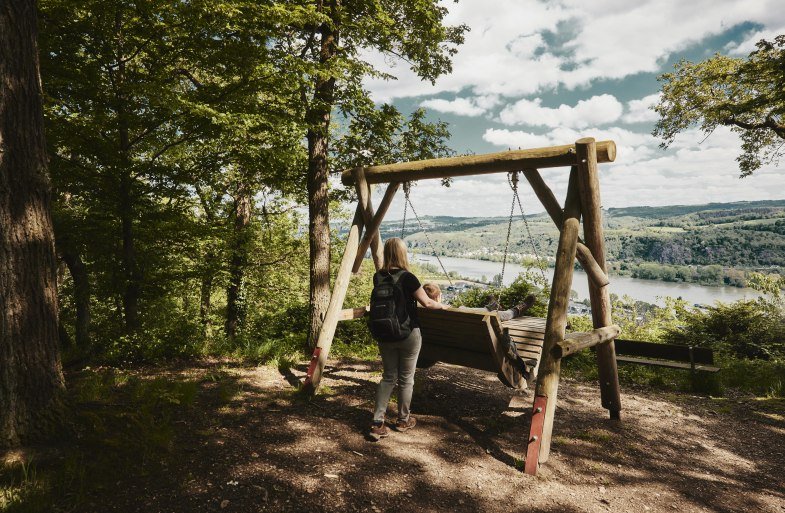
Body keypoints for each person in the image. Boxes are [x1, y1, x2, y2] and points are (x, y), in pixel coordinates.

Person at [370, 238, 446, 441]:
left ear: (386, 253)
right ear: (403, 253)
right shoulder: (408, 277)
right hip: (408, 334)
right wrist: (443, 306)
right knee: (406, 379)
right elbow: (428, 303)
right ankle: (403, 420)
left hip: (385, 333)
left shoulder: (378, 277)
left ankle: (377, 423)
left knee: (388, 377)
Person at [422, 282, 535, 321]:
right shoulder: (443, 308)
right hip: (465, 332)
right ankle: (516, 311)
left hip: (445, 336)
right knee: (496, 315)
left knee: (463, 309)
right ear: (437, 297)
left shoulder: (419, 309)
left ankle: (491, 306)